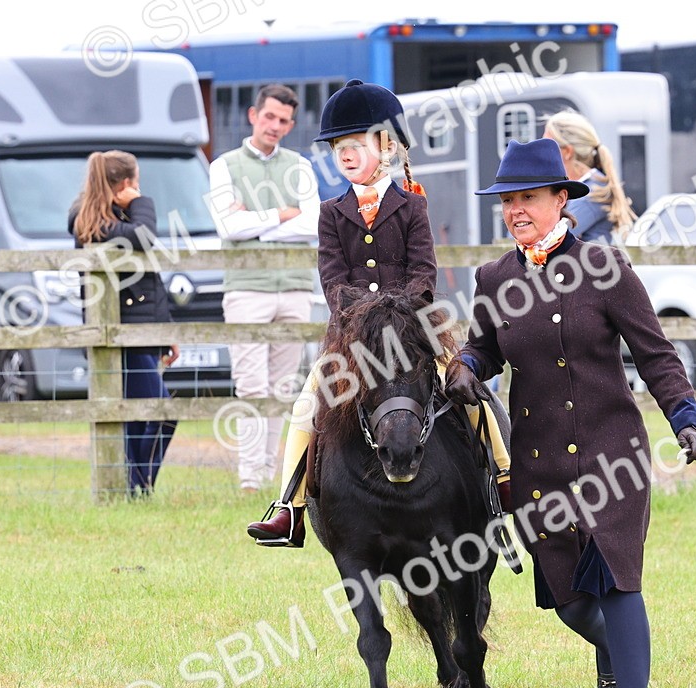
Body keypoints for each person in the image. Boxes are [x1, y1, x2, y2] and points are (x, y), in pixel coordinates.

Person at [443, 138, 696, 688]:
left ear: (561, 199)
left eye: (529, 198)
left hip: (613, 453)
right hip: (539, 464)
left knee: (618, 580)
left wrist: (686, 417)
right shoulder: (494, 278)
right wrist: (465, 364)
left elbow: (655, 352)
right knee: (568, 601)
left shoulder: (605, 266)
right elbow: (485, 347)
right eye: (508, 200)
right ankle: (615, 653)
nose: (517, 210)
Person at [246, 79, 512, 548]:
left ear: (386, 146)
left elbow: (423, 272)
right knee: (307, 405)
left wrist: (399, 314)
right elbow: (333, 279)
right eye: (337, 149)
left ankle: (505, 475)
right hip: (352, 339)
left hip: (412, 332)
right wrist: (362, 319)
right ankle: (289, 506)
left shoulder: (412, 205)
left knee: (468, 389)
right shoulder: (331, 212)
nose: (344, 156)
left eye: (354, 146)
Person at [208, 84, 320, 494]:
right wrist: (282, 214)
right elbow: (229, 227)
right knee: (252, 386)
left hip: (293, 287)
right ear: (254, 116)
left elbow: (313, 225)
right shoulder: (224, 165)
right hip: (246, 289)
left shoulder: (300, 166)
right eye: (269, 116)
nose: (275, 126)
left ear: (291, 125)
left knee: (284, 387)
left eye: (284, 120)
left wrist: (257, 220)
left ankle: (277, 477)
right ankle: (250, 480)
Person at [67, 150, 179, 497]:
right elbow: (145, 235)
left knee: (138, 416)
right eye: (137, 182)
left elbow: (150, 281)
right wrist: (142, 201)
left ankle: (135, 488)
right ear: (127, 183)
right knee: (160, 412)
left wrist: (167, 331)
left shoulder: (117, 217)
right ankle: (137, 486)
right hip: (119, 335)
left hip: (144, 329)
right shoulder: (91, 220)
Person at [543, 110, 637, 243]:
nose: (540, 153)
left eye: (546, 146)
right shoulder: (590, 186)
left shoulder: (591, 193)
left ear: (567, 152)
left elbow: (547, 239)